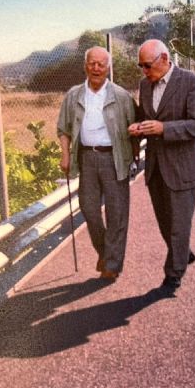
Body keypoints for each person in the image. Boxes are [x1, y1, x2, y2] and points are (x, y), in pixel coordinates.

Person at [128, 39, 195, 291]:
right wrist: (138, 127)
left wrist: (165, 129)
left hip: (182, 167)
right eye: (140, 66)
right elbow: (147, 117)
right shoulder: (145, 84)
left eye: (147, 65)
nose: (144, 71)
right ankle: (183, 252)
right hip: (155, 168)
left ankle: (173, 274)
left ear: (164, 59)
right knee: (165, 222)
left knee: (179, 223)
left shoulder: (190, 81)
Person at [57, 46, 136, 281]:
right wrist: (65, 154)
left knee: (117, 213)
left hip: (114, 158)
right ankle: (105, 251)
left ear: (108, 67)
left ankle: (111, 265)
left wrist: (131, 156)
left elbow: (135, 128)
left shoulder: (121, 96)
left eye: (101, 64)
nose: (96, 68)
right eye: (92, 63)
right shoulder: (73, 95)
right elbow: (63, 128)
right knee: (89, 209)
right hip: (86, 158)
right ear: (85, 66)